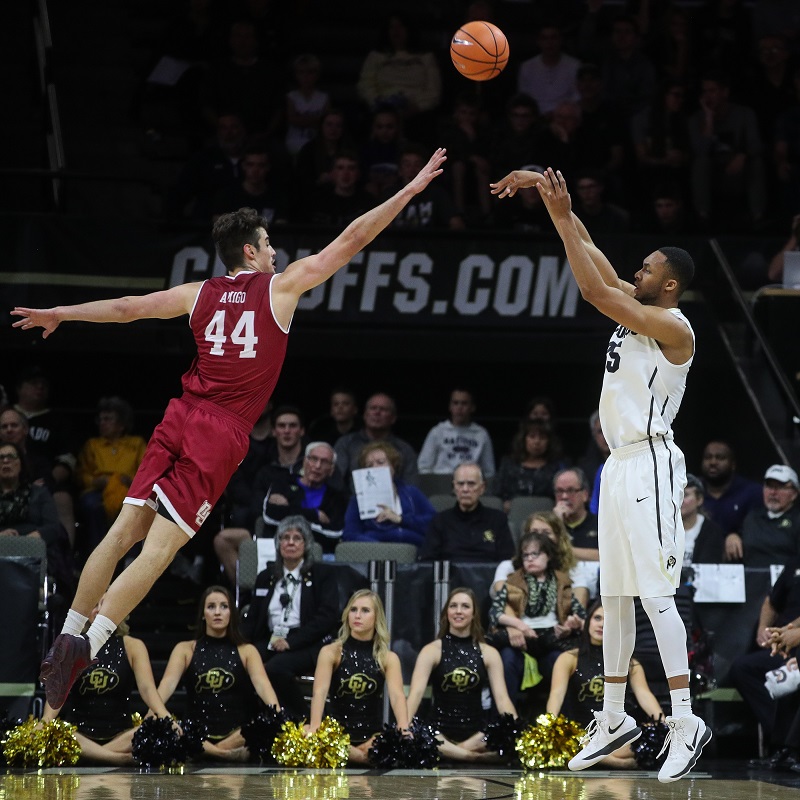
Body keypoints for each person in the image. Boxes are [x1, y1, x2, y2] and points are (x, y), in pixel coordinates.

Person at [12, 146, 447, 711]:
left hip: (178, 413)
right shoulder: (281, 289)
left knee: (121, 533)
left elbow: (128, 308)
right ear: (250, 250)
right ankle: (88, 646)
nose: (275, 251)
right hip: (221, 431)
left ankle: (67, 633)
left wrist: (62, 315)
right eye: (268, 244)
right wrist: (409, 192)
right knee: (158, 551)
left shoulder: (198, 294)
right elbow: (354, 238)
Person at [490, 165, 708, 781]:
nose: (634, 273)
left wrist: (560, 217)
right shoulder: (640, 303)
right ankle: (613, 714)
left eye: (645, 270)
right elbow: (593, 259)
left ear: (668, 286)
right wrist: (548, 193)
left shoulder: (672, 326)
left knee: (656, 594)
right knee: (613, 596)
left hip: (653, 464)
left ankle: (686, 718)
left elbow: (594, 291)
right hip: (617, 466)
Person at [41, 595, 171, 765]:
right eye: (95, 605)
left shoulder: (133, 645)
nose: (100, 611)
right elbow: (58, 691)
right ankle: (117, 758)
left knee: (153, 727)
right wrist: (46, 721)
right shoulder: (72, 646)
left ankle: (95, 755)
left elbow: (147, 688)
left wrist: (164, 715)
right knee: (57, 734)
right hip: (79, 734)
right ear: (86, 612)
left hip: (122, 735)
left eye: (106, 605)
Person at [157, 584, 280, 759]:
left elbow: (263, 685)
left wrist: (276, 715)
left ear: (232, 613)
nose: (217, 612)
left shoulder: (247, 650)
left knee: (262, 726)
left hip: (238, 735)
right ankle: (222, 754)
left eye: (224, 606)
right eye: (211, 607)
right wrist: (153, 712)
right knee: (170, 726)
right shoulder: (185, 649)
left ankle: (212, 753)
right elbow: (167, 684)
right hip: (196, 734)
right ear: (202, 615)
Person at [240, 516, 343, 717]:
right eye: (285, 537)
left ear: (306, 545)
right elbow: (252, 618)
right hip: (270, 638)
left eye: (297, 538)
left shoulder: (322, 574)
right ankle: (252, 719)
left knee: (275, 668)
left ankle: (298, 719)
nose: (290, 542)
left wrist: (291, 642)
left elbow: (327, 617)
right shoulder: (266, 576)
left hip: (308, 642)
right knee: (241, 662)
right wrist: (237, 644)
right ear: (278, 544)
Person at [546, 600, 664, 768]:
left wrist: (663, 724)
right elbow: (556, 694)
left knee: (642, 739)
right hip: (582, 735)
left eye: (608, 620)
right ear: (588, 621)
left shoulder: (630, 663)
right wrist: (549, 726)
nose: (601, 624)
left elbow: (644, 695)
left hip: (620, 738)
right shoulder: (569, 658)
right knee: (567, 743)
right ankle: (618, 763)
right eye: (597, 618)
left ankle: (598, 759)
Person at [406, 587, 518, 762]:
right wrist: (403, 727)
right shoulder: (432, 650)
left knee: (505, 737)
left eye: (465, 606)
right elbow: (416, 694)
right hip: (438, 733)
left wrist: (514, 728)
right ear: (446, 613)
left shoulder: (488, 653)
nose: (458, 611)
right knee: (420, 735)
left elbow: (502, 699)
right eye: (453, 606)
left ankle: (456, 753)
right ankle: (471, 757)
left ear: (474, 614)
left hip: (477, 736)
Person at [308, 589, 409, 764]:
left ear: (377, 617)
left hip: (372, 738)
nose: (357, 615)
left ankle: (360, 756)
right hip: (336, 737)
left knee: (396, 743)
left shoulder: (388, 657)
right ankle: (358, 757)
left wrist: (403, 728)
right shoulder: (331, 652)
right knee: (309, 735)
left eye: (365, 610)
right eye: (353, 610)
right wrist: (316, 727)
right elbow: (320, 692)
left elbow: (397, 696)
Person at [489, 531, 585, 699]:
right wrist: (518, 625)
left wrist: (572, 623)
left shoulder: (561, 582)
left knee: (562, 659)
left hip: (552, 636)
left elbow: (581, 615)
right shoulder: (513, 581)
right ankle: (505, 719)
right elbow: (495, 613)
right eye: (525, 555)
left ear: (548, 555)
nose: (530, 559)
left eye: (535, 554)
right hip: (521, 638)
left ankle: (563, 719)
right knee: (506, 658)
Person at [729, 556, 800, 764]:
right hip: (786, 642)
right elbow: (771, 601)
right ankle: (782, 743)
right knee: (743, 668)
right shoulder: (794, 562)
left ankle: (792, 748)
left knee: (794, 672)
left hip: (794, 641)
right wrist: (767, 630)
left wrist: (792, 633)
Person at [75, 396, 147, 555]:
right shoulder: (92, 445)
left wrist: (131, 481)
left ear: (121, 424)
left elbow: (147, 472)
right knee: (91, 506)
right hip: (97, 491)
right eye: (100, 419)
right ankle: (97, 555)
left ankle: (131, 559)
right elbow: (81, 474)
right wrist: (95, 481)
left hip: (129, 490)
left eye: (108, 419)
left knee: (134, 507)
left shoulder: (136, 443)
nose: (102, 423)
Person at [342, 442, 435, 549]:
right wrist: (384, 549)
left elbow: (434, 524)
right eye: (369, 465)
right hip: (376, 555)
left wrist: (401, 519)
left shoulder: (412, 493)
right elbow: (350, 535)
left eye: (380, 462)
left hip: (414, 552)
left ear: (393, 467)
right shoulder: (357, 500)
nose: (375, 468)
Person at [261, 441, 348, 555]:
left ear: (331, 470)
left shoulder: (337, 497)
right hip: (277, 550)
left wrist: (288, 512)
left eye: (324, 462)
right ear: (304, 462)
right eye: (313, 459)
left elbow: (334, 534)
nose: (317, 466)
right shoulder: (283, 482)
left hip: (318, 555)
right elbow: (270, 516)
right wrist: (315, 515)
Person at [418, 463, 514, 563]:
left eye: (471, 484)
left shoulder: (497, 520)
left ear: (482, 488)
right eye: (460, 484)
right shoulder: (439, 521)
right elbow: (426, 562)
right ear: (453, 487)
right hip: (450, 578)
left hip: (489, 578)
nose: (465, 489)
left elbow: (507, 561)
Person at [492, 510, 579, 604]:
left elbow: (578, 605)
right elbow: (505, 601)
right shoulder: (508, 567)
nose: (540, 538)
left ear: (558, 538)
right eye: (534, 532)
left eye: (546, 533)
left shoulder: (573, 569)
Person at [334, 392, 418, 487]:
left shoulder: (405, 449)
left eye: (383, 409)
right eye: (373, 408)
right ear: (365, 415)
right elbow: (336, 481)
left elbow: (411, 486)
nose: (377, 412)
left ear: (393, 418)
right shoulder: (345, 443)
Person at [417, 388, 496, 480]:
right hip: (441, 484)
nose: (459, 407)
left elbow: (489, 471)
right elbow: (423, 467)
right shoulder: (438, 432)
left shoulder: (481, 434)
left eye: (464, 403)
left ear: (472, 407)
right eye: (455, 403)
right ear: (450, 407)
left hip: (470, 484)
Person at [699, 440, 763, 552]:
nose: (713, 462)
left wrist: (737, 535)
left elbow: (759, 527)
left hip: (738, 554)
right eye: (708, 457)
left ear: (733, 464)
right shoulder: (691, 491)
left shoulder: (751, 492)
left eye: (720, 458)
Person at [733, 465, 800, 567]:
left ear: (794, 494)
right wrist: (732, 536)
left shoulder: (797, 520)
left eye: (780, 487)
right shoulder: (752, 517)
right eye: (769, 486)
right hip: (752, 579)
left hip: (787, 580)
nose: (773, 492)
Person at [552, 467, 600, 605]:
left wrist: (563, 549)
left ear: (585, 494)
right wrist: (557, 525)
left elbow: (606, 556)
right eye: (560, 491)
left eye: (571, 490)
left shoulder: (601, 523)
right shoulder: (548, 525)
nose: (565, 497)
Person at [495, 419, 565, 513]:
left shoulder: (556, 467)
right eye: (532, 437)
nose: (537, 441)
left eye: (542, 438)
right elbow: (497, 494)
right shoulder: (508, 464)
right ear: (523, 439)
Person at [0, 441, 60, 546]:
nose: (5, 460)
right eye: (1, 457)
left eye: (11, 456)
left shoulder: (39, 493)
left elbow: (53, 527)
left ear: (21, 463)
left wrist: (28, 540)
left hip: (34, 548)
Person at [516, 24, 581, 118]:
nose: (549, 42)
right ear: (539, 42)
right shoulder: (527, 67)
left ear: (560, 40)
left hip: (565, 117)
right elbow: (524, 97)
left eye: (553, 38)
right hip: (535, 118)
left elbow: (577, 96)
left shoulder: (574, 66)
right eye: (545, 38)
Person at [284, 53, 330, 159]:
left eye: (310, 73)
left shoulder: (324, 97)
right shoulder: (291, 96)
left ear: (317, 75)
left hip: (318, 142)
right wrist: (316, 119)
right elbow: (292, 119)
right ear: (296, 75)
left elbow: (326, 120)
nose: (306, 77)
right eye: (301, 72)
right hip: (294, 142)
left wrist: (302, 119)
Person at [681, 473, 726, 565]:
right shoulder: (663, 528)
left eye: (685, 495)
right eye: (676, 494)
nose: (680, 499)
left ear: (699, 500)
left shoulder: (712, 532)